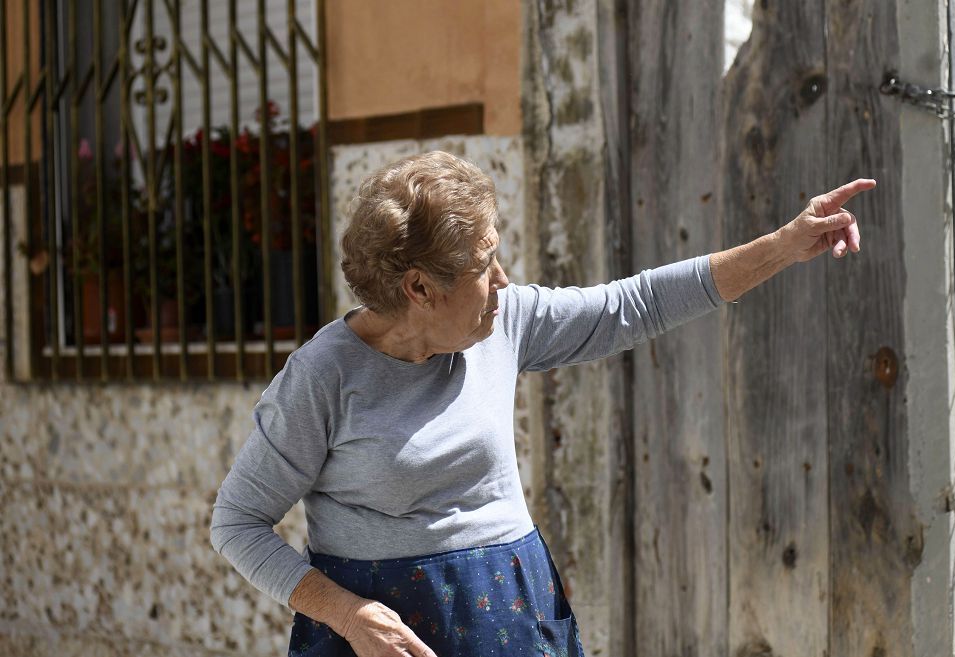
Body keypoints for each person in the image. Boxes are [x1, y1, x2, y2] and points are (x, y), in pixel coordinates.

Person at [210, 151, 874, 657]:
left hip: (514, 617)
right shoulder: (323, 375)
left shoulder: (504, 323)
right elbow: (237, 523)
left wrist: (784, 246)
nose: (504, 281)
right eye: (484, 264)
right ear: (418, 286)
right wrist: (345, 613)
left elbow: (633, 304)